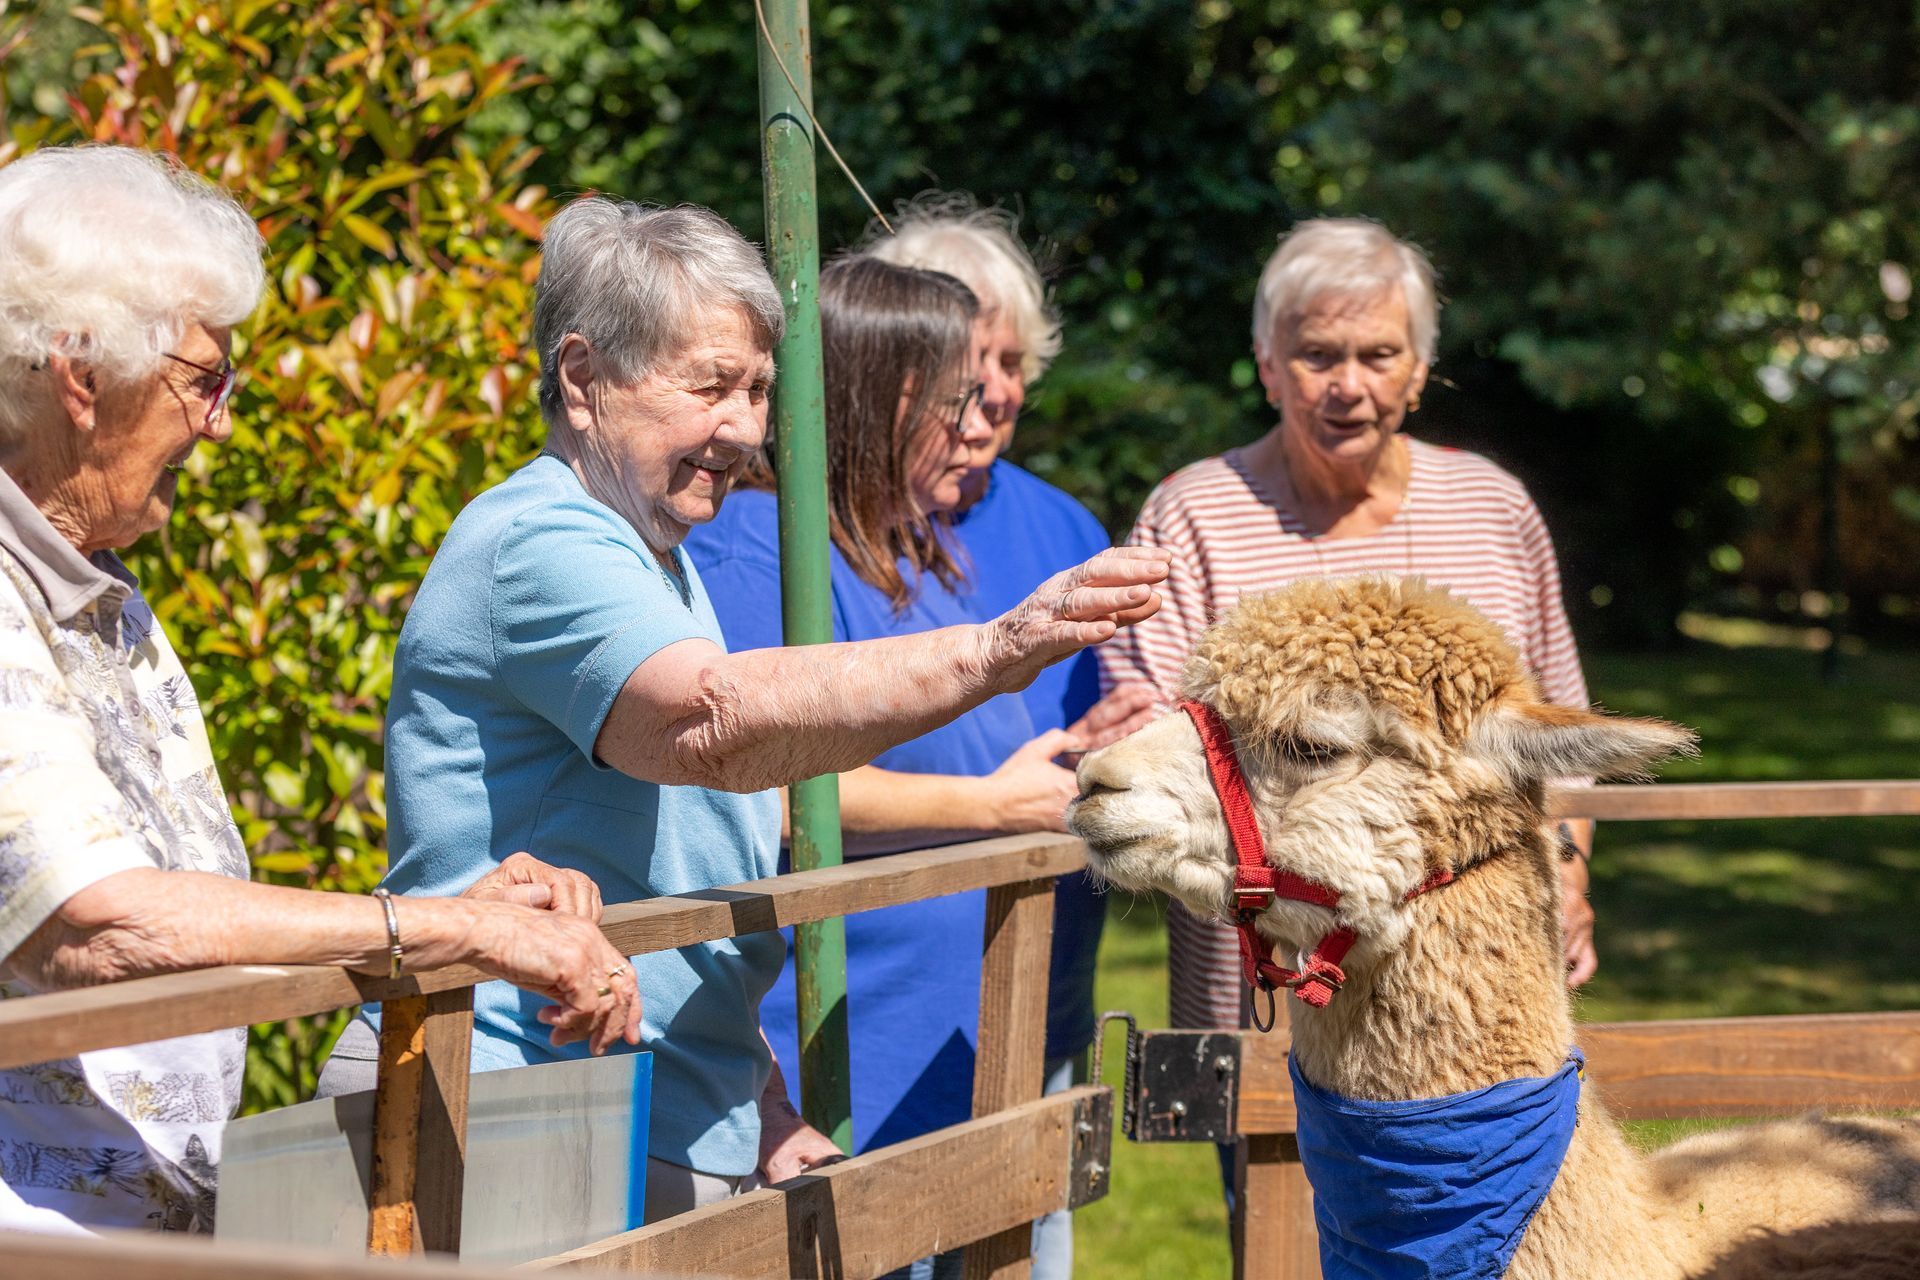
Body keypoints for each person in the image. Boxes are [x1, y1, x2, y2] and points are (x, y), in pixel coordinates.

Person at [315, 198, 1170, 1225]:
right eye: (709, 384)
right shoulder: (540, 540)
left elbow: (685, 854)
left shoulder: (656, 562)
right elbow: (717, 726)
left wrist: (758, 1102)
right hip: (498, 1096)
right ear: (583, 379)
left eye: (759, 389)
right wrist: (994, 651)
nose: (743, 427)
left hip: (654, 1105)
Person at [0, 145, 642, 1237]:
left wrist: (451, 920)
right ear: (78, 373)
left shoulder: (104, 592)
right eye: (204, 378)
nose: (220, 424)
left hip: (142, 1230)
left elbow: (187, 912)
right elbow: (91, 926)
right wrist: (436, 932)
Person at [1100, 216, 1597, 1050]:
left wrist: (1571, 874)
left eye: (1378, 356)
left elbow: (1560, 739)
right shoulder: (1192, 516)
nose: (1349, 385)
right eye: (1318, 355)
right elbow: (1153, 743)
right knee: (1279, 1182)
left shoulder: (1494, 509)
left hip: (1469, 997)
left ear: (1420, 371)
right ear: (1268, 367)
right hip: (1268, 984)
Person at [861, 194, 1152, 1280]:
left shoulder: (1064, 524)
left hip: (1031, 1016)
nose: (992, 393)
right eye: (962, 365)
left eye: (1012, 360)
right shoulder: (798, 525)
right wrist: (984, 803)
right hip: (857, 1033)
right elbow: (752, 783)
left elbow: (1088, 728)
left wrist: (1117, 742)